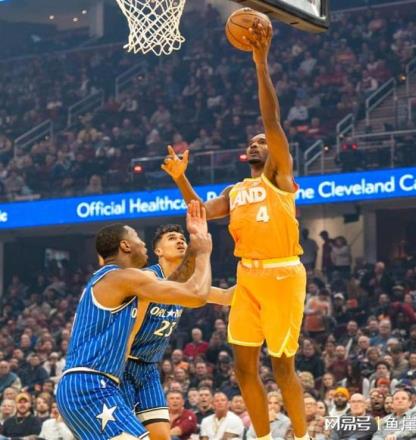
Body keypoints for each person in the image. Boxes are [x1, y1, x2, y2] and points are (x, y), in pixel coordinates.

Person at [162, 20, 309, 440]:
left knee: (283, 366)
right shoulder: (236, 190)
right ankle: (263, 437)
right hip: (248, 277)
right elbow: (199, 212)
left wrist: (260, 63)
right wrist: (180, 178)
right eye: (253, 141)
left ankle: (303, 437)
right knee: (243, 368)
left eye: (262, 141)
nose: (256, 143)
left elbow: (272, 119)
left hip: (282, 274)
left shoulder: (279, 178)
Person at [56, 201, 213, 440]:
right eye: (138, 238)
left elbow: (177, 283)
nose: (144, 244)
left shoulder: (120, 281)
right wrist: (202, 251)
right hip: (90, 387)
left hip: (92, 385)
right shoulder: (122, 278)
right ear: (125, 245)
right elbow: (196, 294)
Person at [121, 224, 233, 440]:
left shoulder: (185, 285)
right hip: (125, 364)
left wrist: (261, 274)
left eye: (183, 238)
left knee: (162, 437)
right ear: (158, 250)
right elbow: (130, 331)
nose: (180, 240)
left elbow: (226, 296)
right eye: (172, 238)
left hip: (149, 369)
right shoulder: (147, 278)